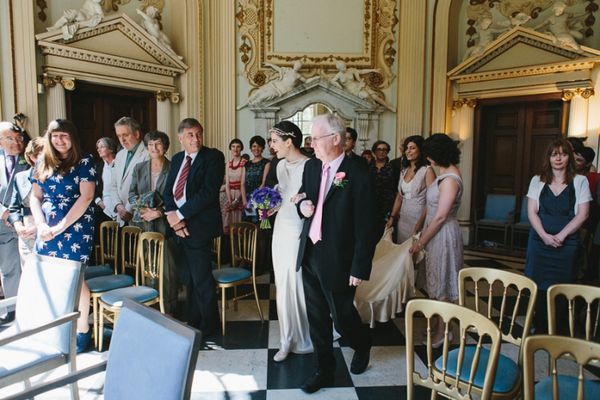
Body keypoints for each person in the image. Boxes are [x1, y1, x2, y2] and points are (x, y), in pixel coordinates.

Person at [295, 114, 376, 393]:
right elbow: (304, 197)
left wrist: (359, 267)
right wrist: (302, 205)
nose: (311, 143)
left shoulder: (359, 173)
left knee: (342, 318)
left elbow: (368, 226)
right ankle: (324, 371)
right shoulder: (312, 168)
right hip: (310, 254)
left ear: (336, 139)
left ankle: (362, 342)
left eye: (316, 138)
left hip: (340, 259)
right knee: (317, 318)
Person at [29, 119, 96, 352]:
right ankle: (56, 327)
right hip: (46, 228)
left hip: (75, 228)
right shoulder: (41, 161)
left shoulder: (84, 160)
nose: (60, 140)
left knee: (75, 280)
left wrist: (60, 227)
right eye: (55, 135)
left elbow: (86, 197)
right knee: (50, 277)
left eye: (64, 136)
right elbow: (35, 196)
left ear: (72, 138)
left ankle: (82, 330)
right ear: (49, 138)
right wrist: (40, 224)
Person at [163, 118, 225, 336]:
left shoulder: (213, 157)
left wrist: (179, 215)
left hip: (199, 228)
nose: (196, 138)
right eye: (190, 135)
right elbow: (169, 191)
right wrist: (173, 218)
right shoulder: (178, 158)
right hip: (178, 228)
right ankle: (193, 320)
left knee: (202, 279)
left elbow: (208, 194)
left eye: (199, 133)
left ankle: (210, 326)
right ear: (181, 138)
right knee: (188, 278)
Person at [524, 138, 591, 333]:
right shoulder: (537, 180)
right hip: (539, 241)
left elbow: (583, 214)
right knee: (538, 285)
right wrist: (544, 235)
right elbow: (531, 212)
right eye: (555, 154)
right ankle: (540, 325)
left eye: (563, 154)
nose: (559, 158)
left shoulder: (580, 181)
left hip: (567, 243)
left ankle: (559, 329)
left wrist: (561, 236)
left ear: (569, 157)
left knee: (563, 285)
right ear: (549, 158)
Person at [409, 133, 464, 347]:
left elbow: (441, 216)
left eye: (429, 154)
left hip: (443, 235)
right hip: (434, 233)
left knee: (442, 285)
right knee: (434, 283)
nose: (427, 158)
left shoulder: (450, 179)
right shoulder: (443, 174)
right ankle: (440, 329)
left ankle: (445, 332)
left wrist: (420, 242)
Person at [269, 121, 312, 362]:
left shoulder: (310, 166)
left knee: (296, 281)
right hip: (280, 228)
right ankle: (286, 338)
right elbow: (282, 198)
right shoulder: (279, 166)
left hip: (297, 229)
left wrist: (305, 199)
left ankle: (304, 334)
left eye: (275, 141)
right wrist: (268, 206)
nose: (271, 146)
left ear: (289, 141)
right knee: (282, 282)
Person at [128, 131, 178, 314]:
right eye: (150, 144)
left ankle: (169, 307)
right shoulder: (139, 168)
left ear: (165, 146)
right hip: (144, 224)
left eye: (158, 144)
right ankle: (150, 305)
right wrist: (144, 211)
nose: (154, 148)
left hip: (166, 225)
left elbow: (178, 198)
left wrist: (159, 212)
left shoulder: (174, 168)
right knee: (148, 265)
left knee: (166, 268)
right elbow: (132, 195)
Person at [0, 122, 27, 325]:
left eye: (19, 138)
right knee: (8, 268)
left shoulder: (29, 160)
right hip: (2, 222)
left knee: (22, 269)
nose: (17, 142)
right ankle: (12, 309)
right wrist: (4, 213)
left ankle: (22, 309)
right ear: (1, 141)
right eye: (11, 138)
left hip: (24, 223)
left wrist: (16, 215)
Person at [387, 135, 436, 244]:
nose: (408, 151)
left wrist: (420, 222)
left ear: (421, 150)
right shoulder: (404, 170)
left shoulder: (427, 171)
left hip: (419, 217)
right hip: (403, 219)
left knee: (417, 253)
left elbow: (432, 201)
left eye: (412, 148)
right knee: (403, 254)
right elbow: (399, 197)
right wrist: (392, 217)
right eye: (407, 148)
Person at [8, 137, 44, 271]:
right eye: (37, 155)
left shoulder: (55, 177)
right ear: (31, 157)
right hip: (25, 231)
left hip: (47, 228)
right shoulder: (20, 177)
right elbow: (14, 208)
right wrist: (18, 226)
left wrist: (39, 227)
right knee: (30, 272)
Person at [107, 117, 149, 226]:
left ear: (136, 134)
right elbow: (113, 185)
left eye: (125, 135)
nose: (122, 140)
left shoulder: (148, 154)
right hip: (120, 216)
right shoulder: (120, 155)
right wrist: (118, 206)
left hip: (139, 216)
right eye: (119, 136)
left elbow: (144, 188)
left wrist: (128, 210)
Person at [370, 140, 396, 239]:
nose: (382, 152)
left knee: (385, 237)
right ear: (374, 151)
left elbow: (396, 189)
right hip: (371, 207)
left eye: (384, 149)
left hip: (387, 207)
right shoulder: (368, 167)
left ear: (388, 151)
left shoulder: (393, 167)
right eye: (379, 149)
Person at [222, 138, 247, 234]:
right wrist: (230, 200)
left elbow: (243, 184)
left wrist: (237, 200)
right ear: (230, 148)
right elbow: (227, 184)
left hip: (240, 195)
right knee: (228, 226)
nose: (235, 149)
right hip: (229, 196)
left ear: (241, 149)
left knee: (239, 225)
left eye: (238, 147)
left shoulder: (244, 163)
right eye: (233, 146)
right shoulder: (228, 164)